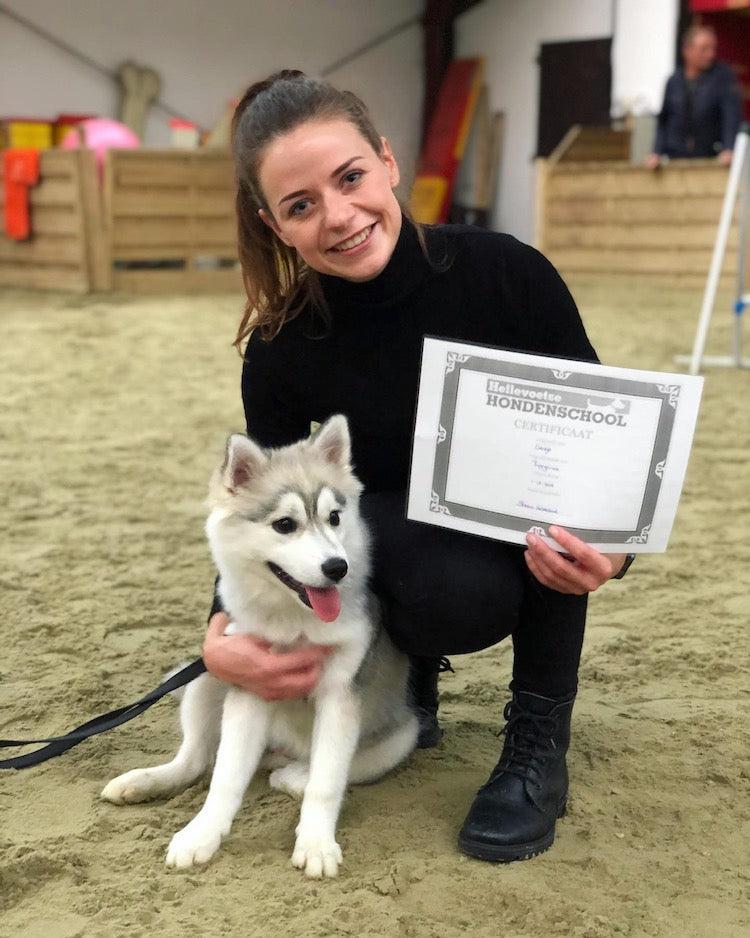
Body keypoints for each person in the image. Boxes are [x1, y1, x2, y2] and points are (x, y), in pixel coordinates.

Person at [202, 69, 633, 864]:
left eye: (351, 178)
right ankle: (411, 692)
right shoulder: (279, 345)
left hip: (508, 551)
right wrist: (219, 633)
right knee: (366, 539)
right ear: (274, 224)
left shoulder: (509, 273)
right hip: (387, 546)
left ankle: (538, 742)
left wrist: (613, 550)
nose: (339, 215)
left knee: (533, 533)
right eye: (301, 206)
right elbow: (258, 510)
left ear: (389, 162)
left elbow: (599, 449)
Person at [645, 24, 742, 170]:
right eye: (704, 49)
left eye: (712, 48)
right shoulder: (674, 81)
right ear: (687, 50)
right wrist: (656, 152)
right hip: (676, 156)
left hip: (711, 155)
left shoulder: (722, 76)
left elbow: (731, 115)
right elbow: (664, 120)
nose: (710, 54)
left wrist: (729, 148)